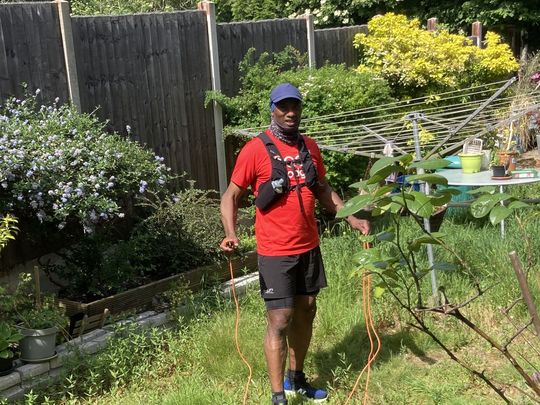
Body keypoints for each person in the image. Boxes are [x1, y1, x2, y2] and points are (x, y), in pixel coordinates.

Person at [220, 83, 369, 405]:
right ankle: (278, 395)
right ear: (272, 109)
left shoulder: (309, 147)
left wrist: (352, 217)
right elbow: (230, 196)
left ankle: (296, 379)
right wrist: (231, 233)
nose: (290, 113)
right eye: (283, 107)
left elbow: (323, 190)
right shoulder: (255, 149)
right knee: (280, 319)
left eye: (295, 107)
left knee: (308, 310)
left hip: (308, 246)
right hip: (275, 251)